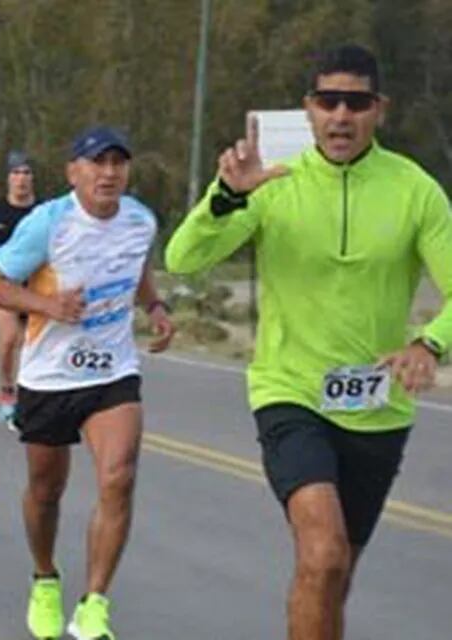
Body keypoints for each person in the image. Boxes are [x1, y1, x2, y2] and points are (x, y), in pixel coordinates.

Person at [164, 45, 452, 640]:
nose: (341, 116)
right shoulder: (271, 182)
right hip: (290, 392)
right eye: (328, 101)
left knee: (333, 574)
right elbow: (182, 259)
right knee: (321, 553)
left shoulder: (415, 189)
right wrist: (227, 197)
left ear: (380, 110)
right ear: (308, 109)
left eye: (356, 102)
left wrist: (430, 345)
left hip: (377, 408)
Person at [0, 126, 175, 640]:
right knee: (47, 490)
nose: (108, 173)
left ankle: (94, 606)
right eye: (97, 163)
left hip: (113, 371)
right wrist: (48, 306)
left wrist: (154, 306)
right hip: (48, 375)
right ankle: (45, 577)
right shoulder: (49, 222)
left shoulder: (140, 220)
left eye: (118, 163)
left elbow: (134, 268)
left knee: (118, 476)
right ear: (74, 172)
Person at [0, 151, 38, 425]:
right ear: (8, 178)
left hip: (36, 286)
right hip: (3, 284)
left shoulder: (43, 212)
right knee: (10, 338)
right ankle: (6, 390)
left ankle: (30, 392)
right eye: (16, 173)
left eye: (26, 173)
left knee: (33, 345)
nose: (21, 179)